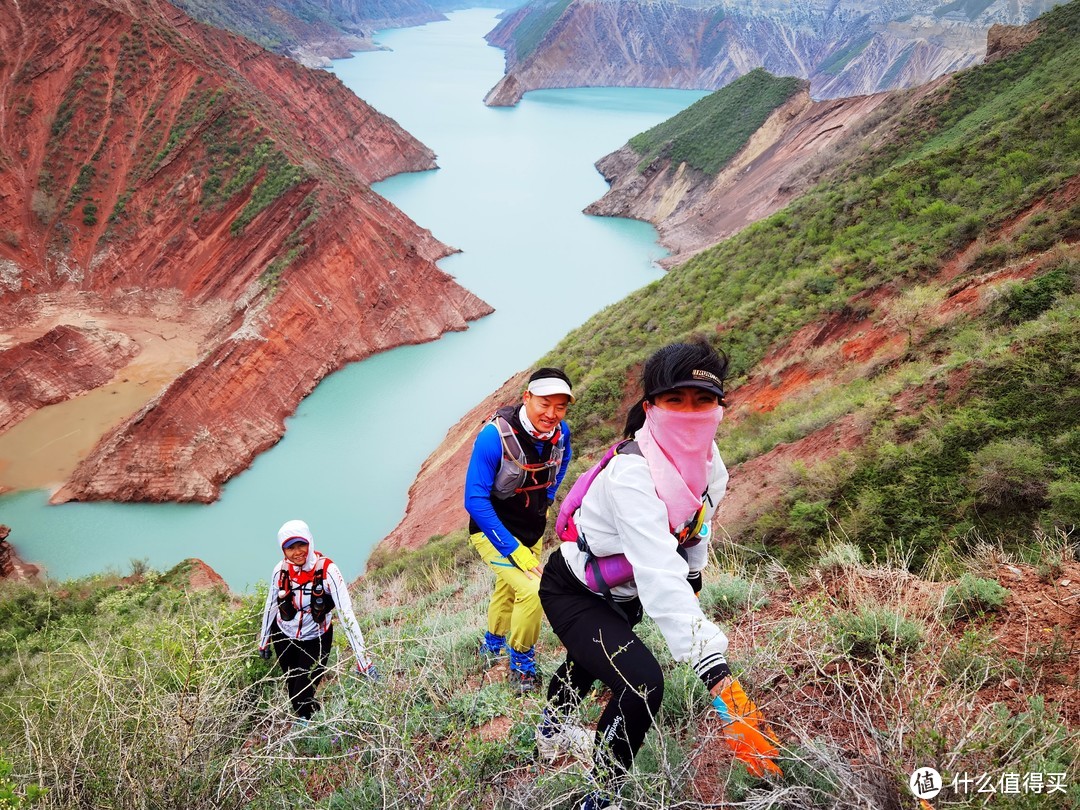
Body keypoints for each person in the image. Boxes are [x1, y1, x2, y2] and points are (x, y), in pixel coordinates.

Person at [537, 340, 780, 809]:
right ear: (650, 407)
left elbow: (695, 527)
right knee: (642, 682)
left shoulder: (711, 469)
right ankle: (599, 796)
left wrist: (694, 575)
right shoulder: (631, 475)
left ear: (719, 408)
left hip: (621, 592)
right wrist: (716, 674)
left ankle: (553, 723)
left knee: (595, 658)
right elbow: (656, 566)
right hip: (573, 589)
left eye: (703, 400)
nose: (691, 413)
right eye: (676, 400)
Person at [464, 367, 574, 691]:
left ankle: (492, 644)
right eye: (544, 403)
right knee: (533, 591)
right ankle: (521, 663)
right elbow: (474, 500)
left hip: (532, 530)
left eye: (560, 406)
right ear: (527, 397)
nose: (552, 414)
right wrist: (512, 550)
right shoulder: (493, 437)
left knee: (507, 588)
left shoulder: (560, 433)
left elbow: (564, 459)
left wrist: (548, 498)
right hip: (492, 534)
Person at [258, 519, 378, 722]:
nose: (297, 552)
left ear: (310, 542)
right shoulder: (280, 570)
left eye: (301, 545)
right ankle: (309, 717)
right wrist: (264, 639)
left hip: (316, 637)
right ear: (283, 550)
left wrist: (363, 660)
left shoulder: (328, 571)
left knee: (304, 685)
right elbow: (271, 603)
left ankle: (308, 722)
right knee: (292, 682)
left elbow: (346, 613)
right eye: (290, 548)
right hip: (283, 634)